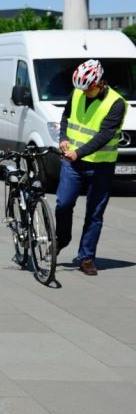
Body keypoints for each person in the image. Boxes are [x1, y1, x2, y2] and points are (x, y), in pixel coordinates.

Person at [54, 59, 127, 276]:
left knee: (94, 213)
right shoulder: (77, 92)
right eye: (82, 88)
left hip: (101, 166)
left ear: (101, 82)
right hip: (73, 164)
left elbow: (105, 135)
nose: (85, 92)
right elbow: (66, 116)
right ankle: (61, 239)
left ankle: (86, 257)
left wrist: (79, 152)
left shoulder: (116, 103)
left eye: (89, 88)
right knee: (63, 204)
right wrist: (63, 137)